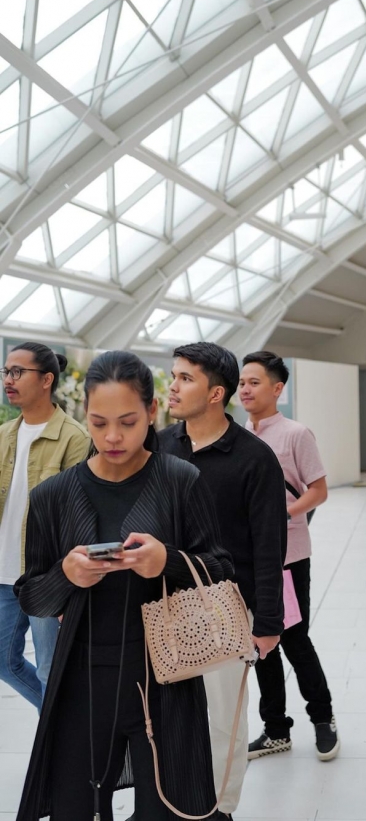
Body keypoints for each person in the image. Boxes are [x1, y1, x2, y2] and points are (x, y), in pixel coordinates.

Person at [14, 351, 234, 821]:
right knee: (77, 805)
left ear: (152, 413)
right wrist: (66, 576)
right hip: (81, 675)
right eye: (98, 423)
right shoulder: (52, 497)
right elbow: (31, 594)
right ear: (83, 418)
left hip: (166, 674)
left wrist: (167, 562)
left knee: (170, 805)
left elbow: (220, 568)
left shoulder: (180, 481)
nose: (112, 437)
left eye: (128, 422)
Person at [158, 342, 287, 818]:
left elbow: (270, 546)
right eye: (173, 375)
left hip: (226, 605)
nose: (172, 386)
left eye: (185, 378)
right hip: (164, 600)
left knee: (223, 719)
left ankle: (218, 807)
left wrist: (268, 620)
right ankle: (173, 799)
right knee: (169, 713)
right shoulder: (161, 445)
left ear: (216, 394)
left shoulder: (254, 458)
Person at [240, 351, 339, 762]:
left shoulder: (296, 434)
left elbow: (318, 490)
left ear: (278, 389)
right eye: (242, 382)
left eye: (254, 382)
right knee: (260, 642)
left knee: (295, 641)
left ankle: (323, 719)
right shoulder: (238, 436)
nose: (245, 389)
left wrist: (279, 515)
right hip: (248, 558)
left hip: (288, 555)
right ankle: (276, 729)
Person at [0, 342, 89, 710]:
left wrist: (66, 587)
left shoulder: (74, 438)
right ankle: (60, 733)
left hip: (45, 577)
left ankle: (60, 756)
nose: (8, 379)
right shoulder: (4, 433)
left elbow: (76, 519)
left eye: (18, 372)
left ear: (47, 379)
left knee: (52, 670)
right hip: (4, 574)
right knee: (5, 661)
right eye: (6, 371)